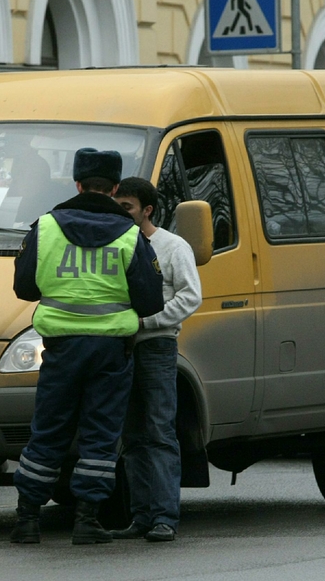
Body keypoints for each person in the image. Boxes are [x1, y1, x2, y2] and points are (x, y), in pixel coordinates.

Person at [10, 148, 165, 544]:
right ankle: (87, 520)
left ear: (77, 185)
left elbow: (23, 287)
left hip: (59, 348)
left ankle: (27, 519)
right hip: (111, 351)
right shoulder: (131, 235)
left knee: (48, 429)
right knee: (100, 433)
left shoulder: (45, 228)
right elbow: (151, 302)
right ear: (114, 189)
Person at [109, 177, 202, 543]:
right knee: (131, 436)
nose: (120, 212)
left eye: (127, 207)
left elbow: (190, 296)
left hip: (156, 347)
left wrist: (146, 322)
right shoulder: (116, 244)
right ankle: (141, 516)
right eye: (118, 205)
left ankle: (165, 517)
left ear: (147, 210)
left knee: (159, 432)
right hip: (122, 348)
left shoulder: (172, 246)